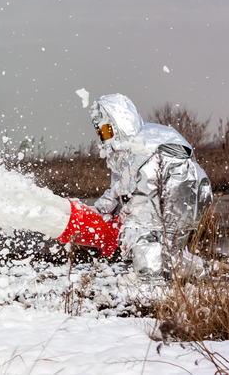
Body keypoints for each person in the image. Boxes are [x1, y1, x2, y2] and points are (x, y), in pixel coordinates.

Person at [56, 93, 213, 282]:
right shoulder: (122, 155)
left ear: (120, 123)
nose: (105, 138)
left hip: (180, 187)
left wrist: (130, 217)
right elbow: (119, 189)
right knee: (163, 245)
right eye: (101, 133)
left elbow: (148, 185)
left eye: (107, 131)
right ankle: (193, 272)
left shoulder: (144, 143)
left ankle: (153, 286)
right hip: (175, 191)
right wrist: (98, 211)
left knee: (145, 235)